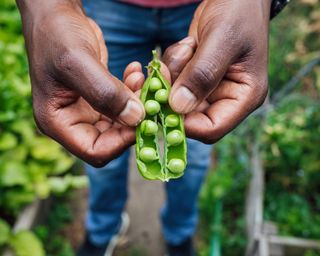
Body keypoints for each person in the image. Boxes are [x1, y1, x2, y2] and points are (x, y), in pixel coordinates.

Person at [16, 0, 289, 255]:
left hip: (205, 7)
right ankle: (102, 231)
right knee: (102, 131)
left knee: (193, 154)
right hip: (108, 6)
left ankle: (179, 233)